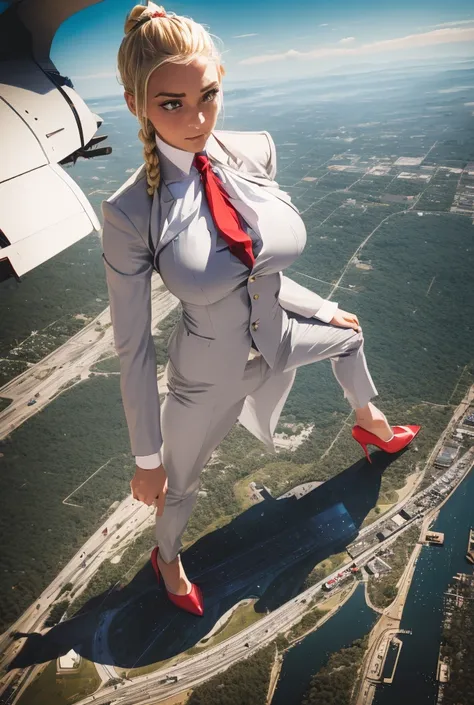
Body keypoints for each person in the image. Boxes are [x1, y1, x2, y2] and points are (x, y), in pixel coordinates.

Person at [101, 2, 420, 617]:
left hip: (276, 337)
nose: (196, 119)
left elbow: (262, 268)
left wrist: (324, 308)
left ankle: (372, 424)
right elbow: (133, 345)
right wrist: (145, 459)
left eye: (208, 95)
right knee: (180, 487)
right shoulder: (130, 213)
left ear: (220, 77)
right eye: (171, 103)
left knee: (350, 335)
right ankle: (166, 558)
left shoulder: (253, 153)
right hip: (204, 381)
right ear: (134, 101)